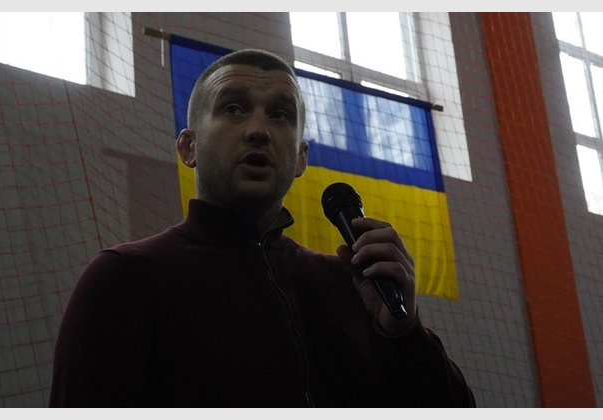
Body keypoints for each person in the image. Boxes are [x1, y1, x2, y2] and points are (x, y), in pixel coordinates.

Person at [49, 48, 476, 407]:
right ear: (189, 147)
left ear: (301, 158)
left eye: (280, 115)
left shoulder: (352, 286)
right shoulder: (124, 278)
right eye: (233, 108)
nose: (258, 131)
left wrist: (404, 332)